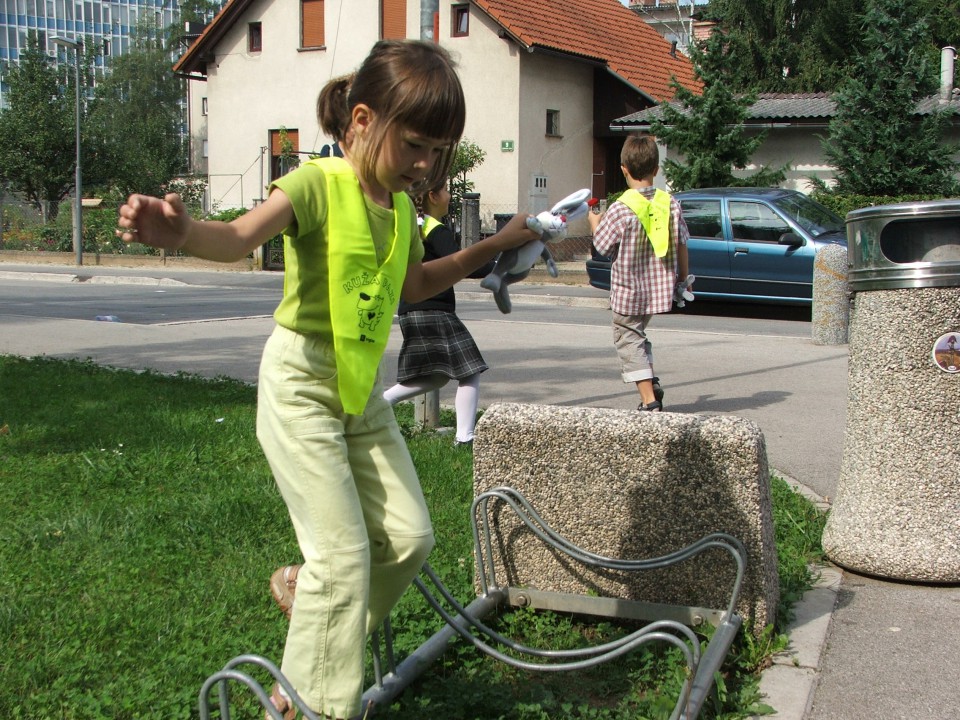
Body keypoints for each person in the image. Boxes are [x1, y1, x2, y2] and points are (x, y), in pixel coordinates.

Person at [116, 39, 537, 720]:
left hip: (358, 389)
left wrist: (493, 246)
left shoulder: (401, 209)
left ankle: (307, 597)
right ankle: (307, 703)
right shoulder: (317, 183)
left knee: (409, 538)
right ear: (364, 121)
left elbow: (417, 284)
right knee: (343, 560)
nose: (427, 164)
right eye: (416, 145)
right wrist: (184, 232)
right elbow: (240, 237)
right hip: (301, 385)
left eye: (440, 151)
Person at [383, 179, 494, 446]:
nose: (449, 197)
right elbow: (462, 264)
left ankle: (379, 403)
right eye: (446, 191)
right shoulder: (437, 230)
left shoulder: (411, 227)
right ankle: (465, 437)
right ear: (432, 196)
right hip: (435, 310)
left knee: (436, 376)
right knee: (469, 371)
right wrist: (497, 264)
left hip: (411, 310)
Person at [587, 134, 690, 412]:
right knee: (639, 335)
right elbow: (682, 244)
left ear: (623, 169)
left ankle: (650, 401)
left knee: (627, 338)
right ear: (656, 169)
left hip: (628, 290)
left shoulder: (621, 208)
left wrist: (595, 223)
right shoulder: (670, 203)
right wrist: (684, 281)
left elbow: (603, 246)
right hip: (658, 291)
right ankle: (650, 382)